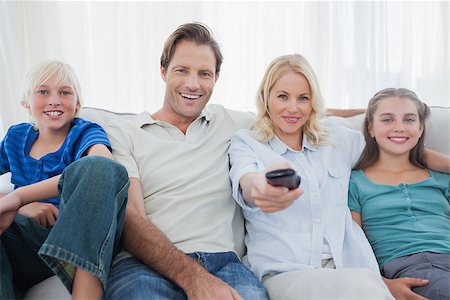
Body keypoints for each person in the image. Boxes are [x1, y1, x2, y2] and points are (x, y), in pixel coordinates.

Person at [228, 54, 450, 299]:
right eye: (282, 96)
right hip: (287, 272)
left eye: (303, 98)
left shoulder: (337, 137)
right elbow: (247, 182)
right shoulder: (247, 142)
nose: (293, 108)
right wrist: (260, 187)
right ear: (265, 97)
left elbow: (395, 145)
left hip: (351, 269)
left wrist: (385, 114)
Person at [104, 23, 267, 299]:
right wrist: (193, 278)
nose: (193, 84)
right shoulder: (124, 132)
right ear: (163, 71)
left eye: (204, 73)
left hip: (224, 263)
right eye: (182, 70)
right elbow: (131, 220)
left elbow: (295, 112)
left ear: (216, 78)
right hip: (142, 265)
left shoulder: (234, 123)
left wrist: (368, 113)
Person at [0, 60, 129, 299]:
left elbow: (105, 166)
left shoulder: (84, 133)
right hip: (26, 246)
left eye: (65, 92)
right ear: (25, 102)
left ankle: (81, 277)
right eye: (43, 91)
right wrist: (19, 205)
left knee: (99, 167)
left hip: (71, 242)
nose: (54, 100)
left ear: (78, 103)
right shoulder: (16, 137)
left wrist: (19, 198)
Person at [348, 88, 450, 300]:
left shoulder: (441, 177)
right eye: (387, 120)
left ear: (420, 129)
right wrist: (383, 283)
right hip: (407, 268)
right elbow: (352, 245)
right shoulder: (354, 182)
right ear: (371, 128)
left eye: (409, 120)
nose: (399, 128)